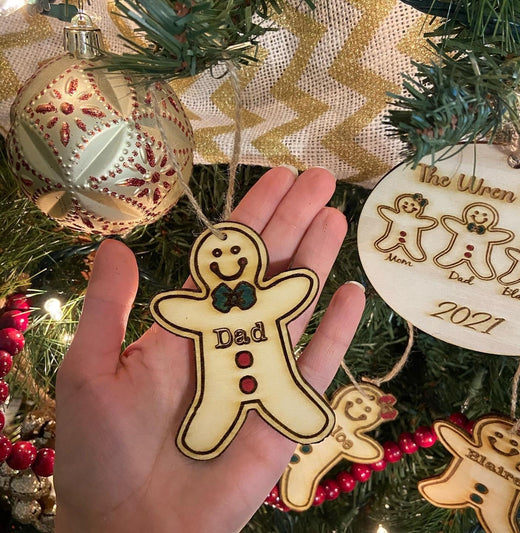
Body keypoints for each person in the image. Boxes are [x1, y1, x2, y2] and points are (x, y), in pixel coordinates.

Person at [54, 166, 366, 532]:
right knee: (213, 409)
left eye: (235, 251)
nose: (226, 260)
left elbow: (296, 289)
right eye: (217, 256)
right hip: (221, 387)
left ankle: (293, 410)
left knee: (286, 394)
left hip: (274, 375)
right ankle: (209, 428)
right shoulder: (203, 309)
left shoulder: (264, 297)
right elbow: (175, 310)